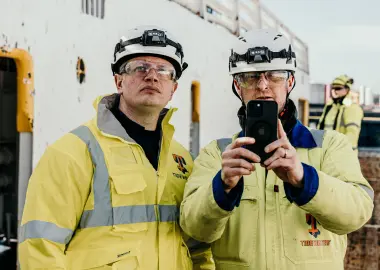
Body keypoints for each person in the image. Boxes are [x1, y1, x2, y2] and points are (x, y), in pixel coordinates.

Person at [18, 25, 214, 270]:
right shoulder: (73, 152)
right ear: (119, 81)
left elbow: (198, 248)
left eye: (164, 70)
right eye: (140, 67)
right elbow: (40, 249)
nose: (152, 76)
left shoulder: (182, 160)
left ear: (173, 89)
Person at [180, 29, 374, 270]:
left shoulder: (329, 145)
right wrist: (223, 187)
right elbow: (195, 229)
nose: (263, 85)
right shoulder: (217, 154)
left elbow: (357, 213)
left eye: (275, 75)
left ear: (290, 81)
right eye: (250, 76)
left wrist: (303, 179)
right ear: (237, 86)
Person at [318, 75, 364, 154]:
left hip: (344, 155)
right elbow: (320, 129)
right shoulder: (329, 107)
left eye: (338, 88)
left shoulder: (352, 108)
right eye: (333, 88)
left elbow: (352, 135)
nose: (335, 91)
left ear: (347, 89)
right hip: (326, 152)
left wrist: (338, 151)